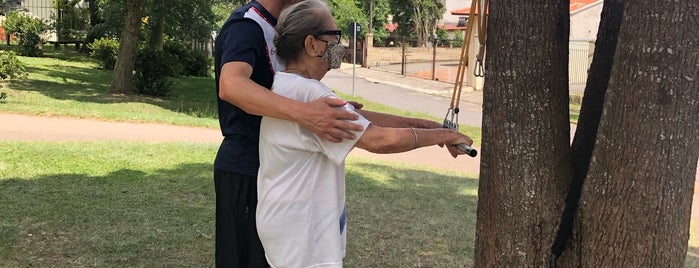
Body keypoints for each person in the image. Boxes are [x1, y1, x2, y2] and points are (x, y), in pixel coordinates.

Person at [255, 1, 475, 267]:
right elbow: (378, 140)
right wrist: (446, 137)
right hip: (303, 233)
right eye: (334, 38)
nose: (341, 45)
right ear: (312, 44)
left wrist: (429, 127)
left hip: (283, 222)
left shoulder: (286, 85)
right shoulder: (309, 93)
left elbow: (359, 117)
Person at [213, 0, 365, 267]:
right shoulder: (247, 25)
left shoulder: (280, 28)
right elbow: (231, 84)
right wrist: (304, 113)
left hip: (277, 166)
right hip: (247, 167)